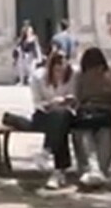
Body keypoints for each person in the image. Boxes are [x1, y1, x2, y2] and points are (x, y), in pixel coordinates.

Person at [72, 47, 111, 189]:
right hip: (86, 113)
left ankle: (99, 170)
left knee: (105, 132)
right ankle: (92, 168)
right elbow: (77, 99)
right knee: (85, 134)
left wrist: (110, 83)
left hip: (105, 113)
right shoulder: (80, 77)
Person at [26, 49, 77, 189]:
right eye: (57, 67)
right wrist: (51, 103)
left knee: (61, 117)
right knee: (59, 123)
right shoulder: (37, 77)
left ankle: (46, 152)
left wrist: (68, 101)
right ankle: (59, 172)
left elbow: (75, 98)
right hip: (44, 115)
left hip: (66, 114)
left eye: (63, 67)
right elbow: (37, 102)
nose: (60, 71)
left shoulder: (73, 76)